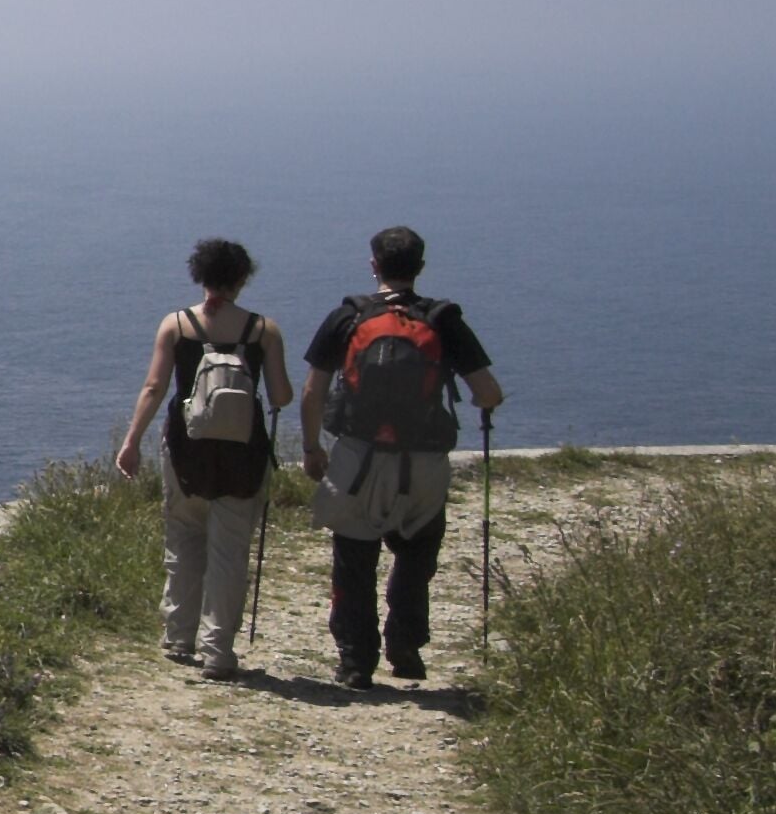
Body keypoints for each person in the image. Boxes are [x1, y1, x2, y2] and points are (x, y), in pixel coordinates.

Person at [301, 225, 504, 686]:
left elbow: (313, 393)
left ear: (374, 266)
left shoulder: (347, 317)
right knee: (415, 558)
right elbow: (487, 392)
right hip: (424, 462)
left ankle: (356, 661)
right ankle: (406, 647)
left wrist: (313, 449)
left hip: (357, 456)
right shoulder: (442, 319)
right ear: (420, 268)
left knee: (354, 560)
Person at [117, 237, 291, 677]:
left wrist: (131, 441)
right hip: (242, 455)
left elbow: (154, 388)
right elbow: (282, 396)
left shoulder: (176, 326)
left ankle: (179, 635)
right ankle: (218, 651)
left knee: (184, 536)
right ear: (242, 278)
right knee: (229, 550)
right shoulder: (263, 331)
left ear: (199, 275)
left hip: (185, 448)